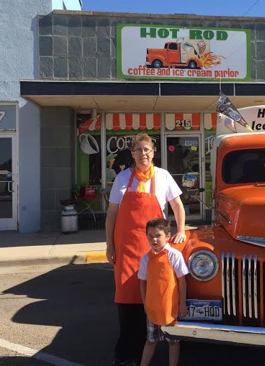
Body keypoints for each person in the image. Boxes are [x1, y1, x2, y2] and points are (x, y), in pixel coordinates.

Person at [105, 133, 187, 366]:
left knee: (152, 298)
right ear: (132, 154)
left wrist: (180, 230)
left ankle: (147, 349)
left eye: (147, 150)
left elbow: (177, 205)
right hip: (127, 248)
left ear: (153, 153)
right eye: (139, 150)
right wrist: (110, 244)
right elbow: (112, 214)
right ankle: (124, 354)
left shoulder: (163, 176)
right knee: (125, 300)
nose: (143, 154)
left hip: (153, 249)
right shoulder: (122, 178)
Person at [138, 218, 189, 366]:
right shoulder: (146, 258)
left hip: (170, 308)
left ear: (167, 236)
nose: (154, 239)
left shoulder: (174, 255)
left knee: (173, 342)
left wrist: (182, 304)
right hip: (152, 308)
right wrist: (145, 304)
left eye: (158, 235)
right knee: (151, 341)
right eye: (150, 236)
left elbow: (182, 281)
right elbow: (142, 282)